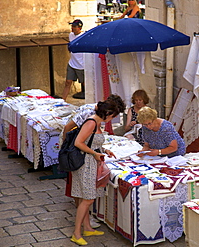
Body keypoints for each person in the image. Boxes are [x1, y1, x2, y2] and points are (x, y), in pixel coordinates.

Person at [62, 94, 125, 230]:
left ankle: (87, 227)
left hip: (88, 161)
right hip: (84, 162)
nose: (112, 120)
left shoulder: (96, 121)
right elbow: (78, 140)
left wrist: (103, 150)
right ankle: (77, 233)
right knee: (87, 198)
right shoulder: (91, 121)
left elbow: (90, 140)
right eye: (113, 116)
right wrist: (94, 153)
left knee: (84, 196)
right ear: (108, 112)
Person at [62, 19, 85, 101]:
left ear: (79, 27)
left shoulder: (84, 36)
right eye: (72, 26)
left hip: (81, 65)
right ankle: (63, 100)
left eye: (74, 26)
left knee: (84, 83)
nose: (72, 28)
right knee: (68, 82)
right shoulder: (71, 35)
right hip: (72, 63)